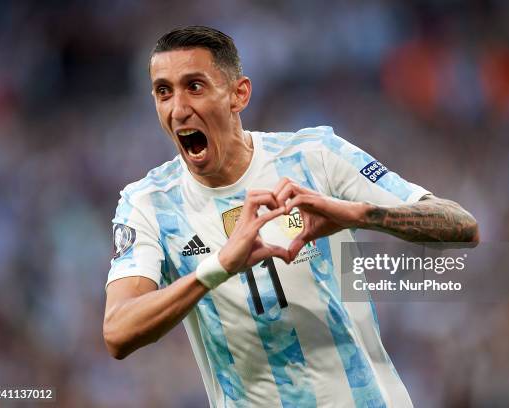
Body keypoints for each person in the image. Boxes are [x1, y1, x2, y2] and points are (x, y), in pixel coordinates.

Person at [103, 25, 479, 408]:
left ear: (239, 94)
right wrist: (217, 267)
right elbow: (118, 331)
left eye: (194, 86)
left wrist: (355, 213)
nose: (178, 109)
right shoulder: (149, 205)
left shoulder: (315, 156)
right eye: (163, 91)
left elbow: (461, 226)